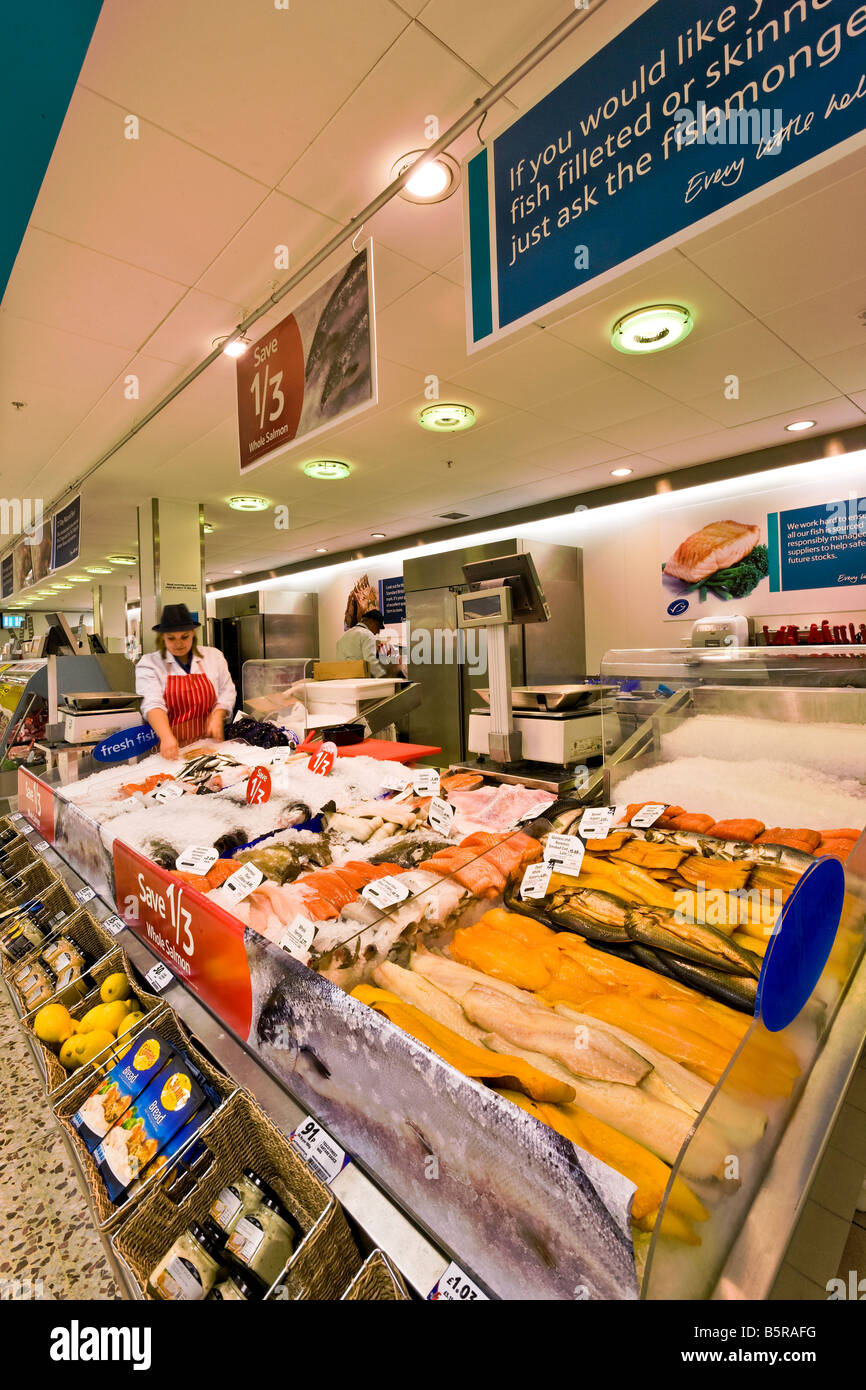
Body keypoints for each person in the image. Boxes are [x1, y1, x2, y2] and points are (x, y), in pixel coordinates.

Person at [135, 604, 236, 760]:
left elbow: (227, 691)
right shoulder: (149, 663)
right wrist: (167, 737)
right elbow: (152, 703)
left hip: (209, 745)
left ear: (193, 634)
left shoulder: (213, 656)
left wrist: (218, 714)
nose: (179, 644)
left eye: (184, 637)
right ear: (162, 637)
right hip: (170, 749)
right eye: (171, 638)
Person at [335, 608, 402, 677]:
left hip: (343, 679)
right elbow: (370, 661)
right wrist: (382, 676)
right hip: (359, 678)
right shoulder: (367, 635)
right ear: (372, 622)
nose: (377, 632)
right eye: (378, 627)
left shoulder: (343, 636)